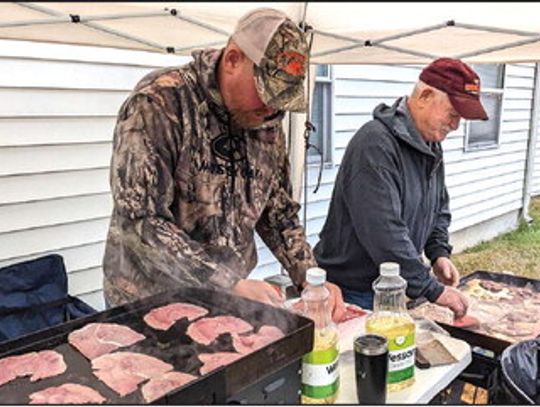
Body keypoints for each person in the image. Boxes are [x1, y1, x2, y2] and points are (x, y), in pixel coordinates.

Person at [102, 7, 345, 321]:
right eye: (266, 93)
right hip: (152, 305)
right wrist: (227, 282)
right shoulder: (159, 103)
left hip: (227, 303)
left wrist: (311, 279)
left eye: (281, 99)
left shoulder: (267, 119)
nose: (273, 109)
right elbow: (142, 223)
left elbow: (279, 213)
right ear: (233, 59)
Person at [313, 58, 489, 318]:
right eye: (452, 114)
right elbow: (384, 231)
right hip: (351, 289)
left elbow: (438, 207)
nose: (455, 126)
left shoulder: (430, 146)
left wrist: (438, 252)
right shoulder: (375, 144)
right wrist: (433, 289)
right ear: (424, 96)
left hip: (391, 284)